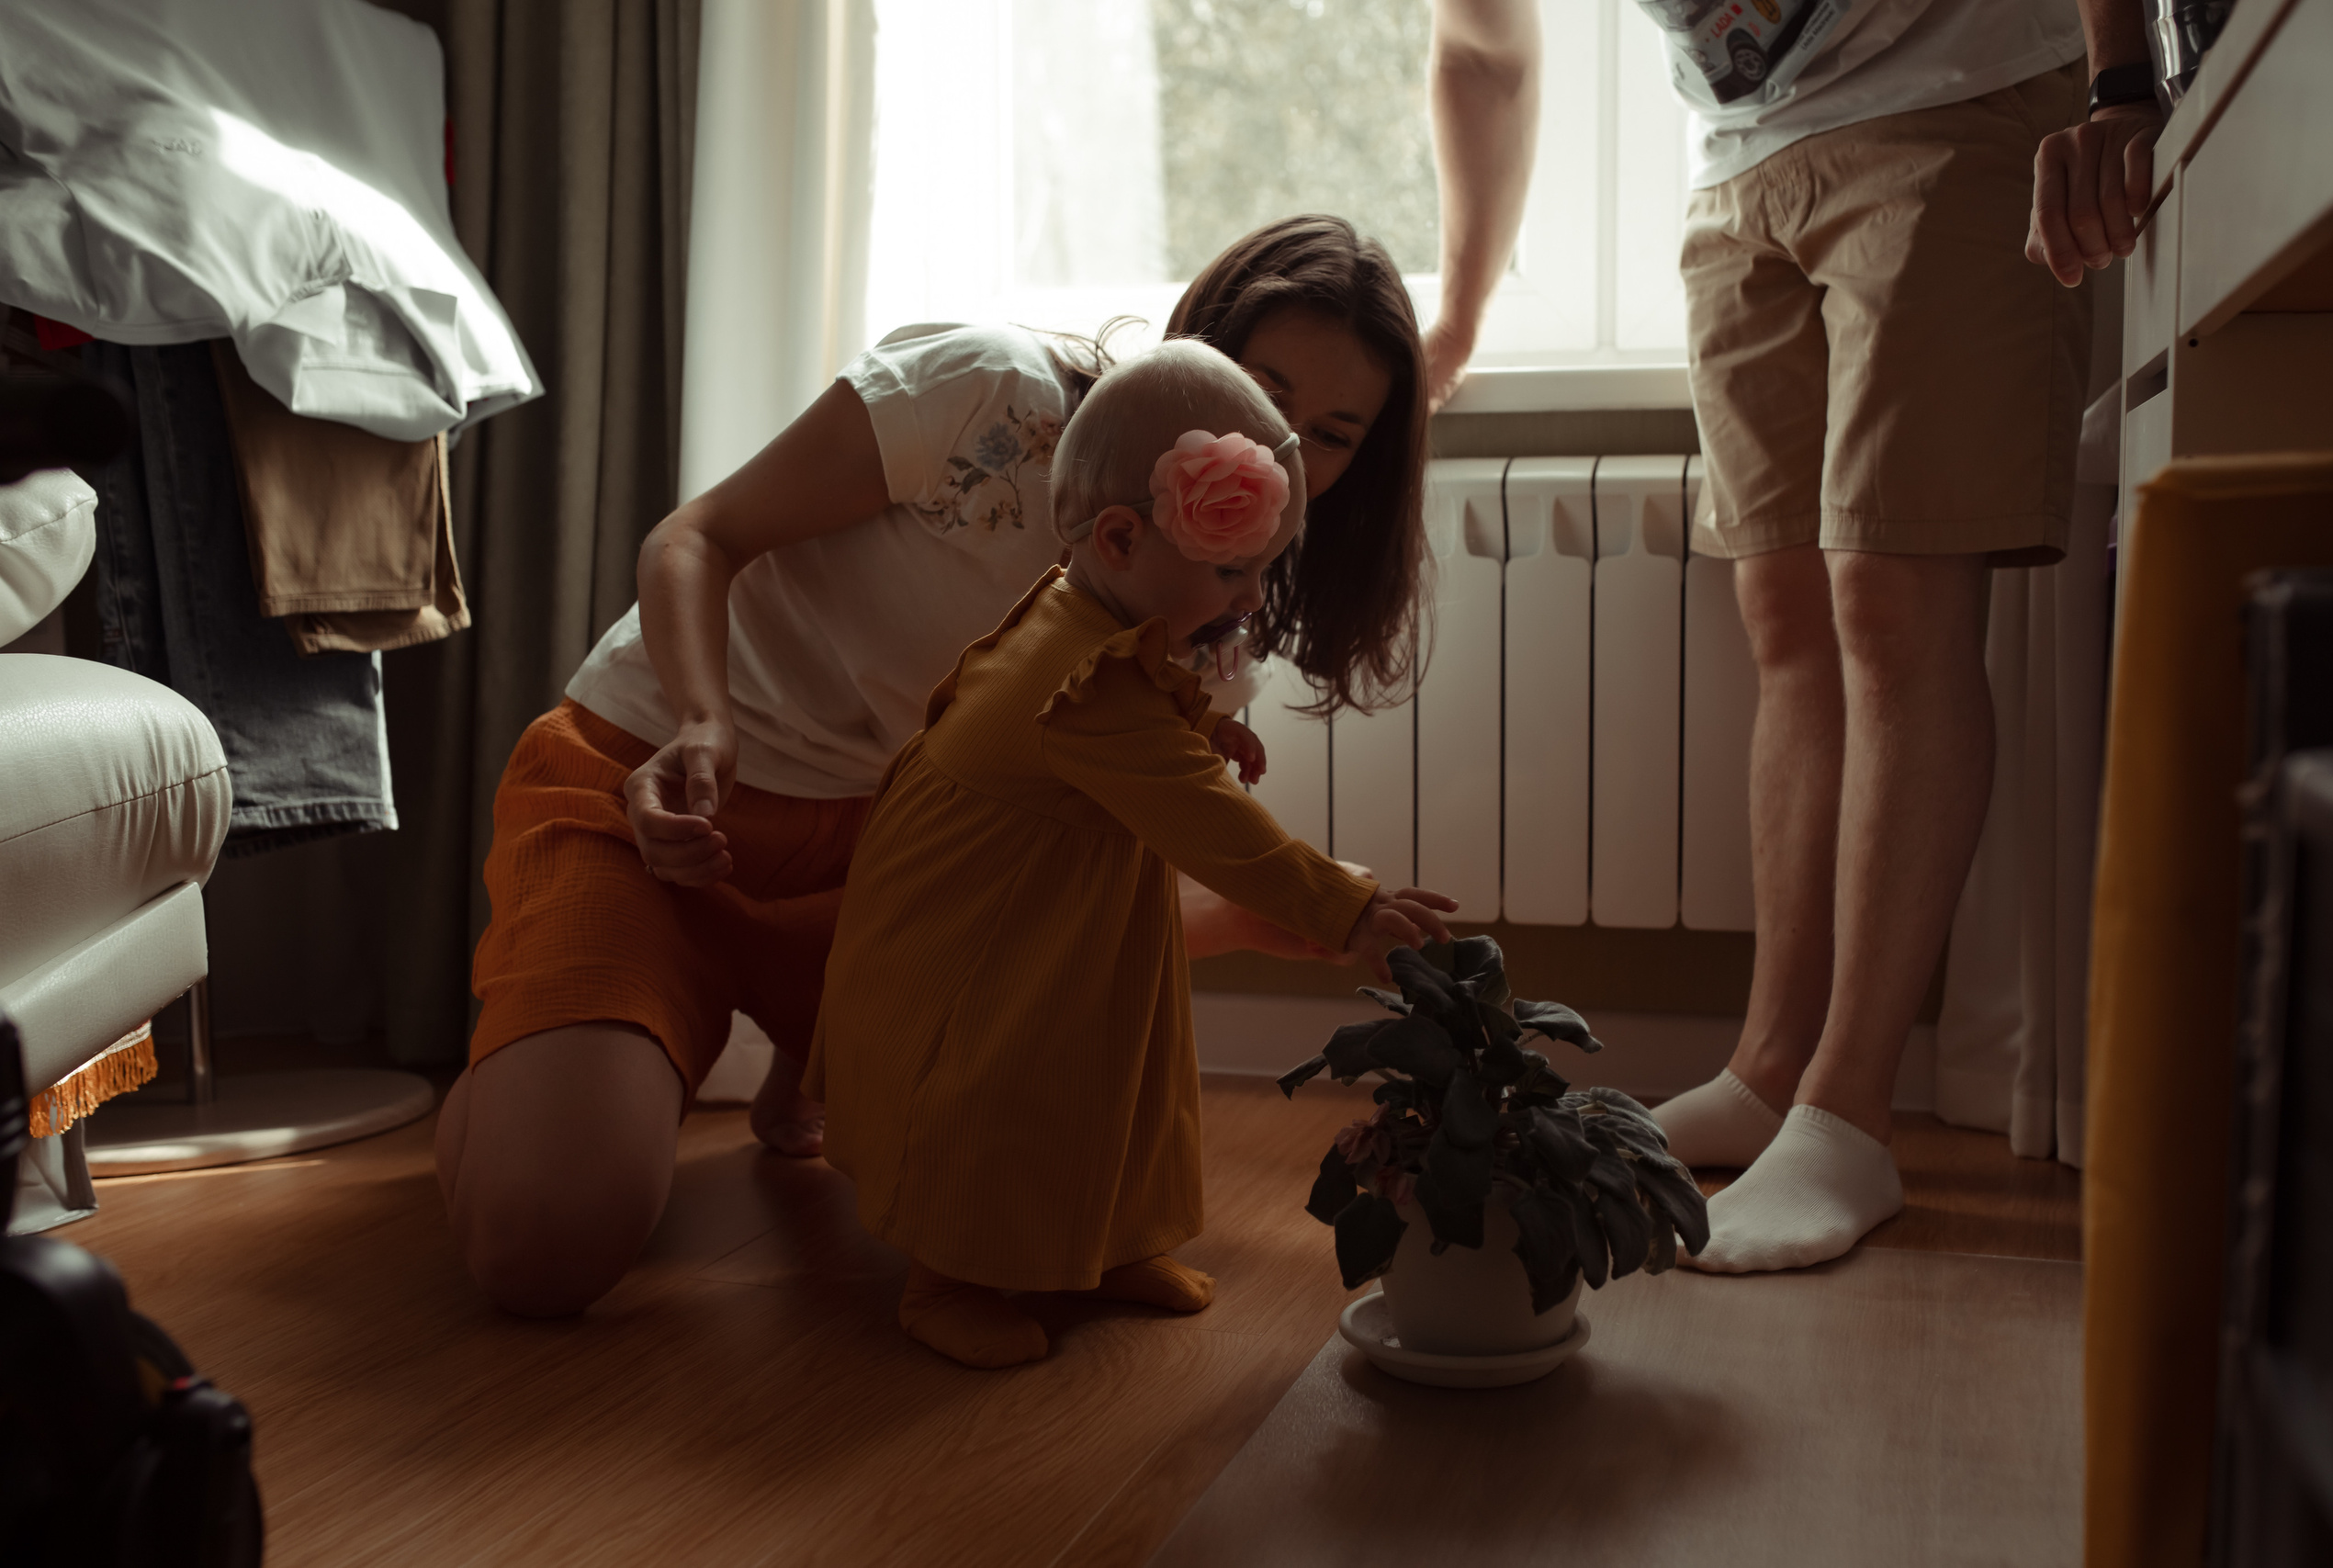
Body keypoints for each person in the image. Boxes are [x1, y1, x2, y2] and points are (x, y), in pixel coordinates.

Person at [435, 216, 1434, 1317]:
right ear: (1192, 351)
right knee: (543, 1246)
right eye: (1264, 389)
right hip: (662, 798)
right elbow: (696, 536)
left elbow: (1059, 885)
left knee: (1024, 1094)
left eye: (1331, 434)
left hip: (889, 882)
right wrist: (702, 720)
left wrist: (1249, 916)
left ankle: (793, 1056)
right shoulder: (991, 399)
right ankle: (543, 1040)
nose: (1276, 442)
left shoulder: (1200, 624)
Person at [1426, 0, 2103, 1271]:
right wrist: (1457, 320)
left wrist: (2117, 80)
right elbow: (1480, 49)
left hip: (1956, 99)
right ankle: (1772, 1069)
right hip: (1739, 167)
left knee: (1893, 601)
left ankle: (1849, 1113)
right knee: (1786, 621)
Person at [809, 344, 1459, 1368]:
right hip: (984, 924)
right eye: (1232, 570)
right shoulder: (1087, 684)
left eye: (1262, 568)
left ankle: (1108, 1243)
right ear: (1119, 537)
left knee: (1114, 1072)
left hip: (1065, 897)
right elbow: (1210, 820)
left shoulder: (1091, 615)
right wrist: (1346, 904)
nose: (1251, 597)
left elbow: (1146, 702)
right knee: (993, 1087)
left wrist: (1201, 720)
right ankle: (947, 1277)